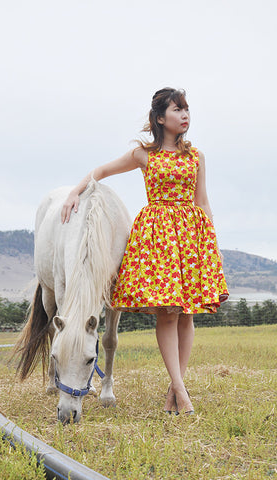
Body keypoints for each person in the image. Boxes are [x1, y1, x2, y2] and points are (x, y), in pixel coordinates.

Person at [61, 87, 229, 416]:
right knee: (167, 313)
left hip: (191, 236)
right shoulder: (144, 154)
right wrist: (74, 192)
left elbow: (203, 201)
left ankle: (174, 390)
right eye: (178, 110)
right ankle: (181, 389)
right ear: (160, 118)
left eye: (187, 109)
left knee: (186, 314)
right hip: (158, 237)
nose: (185, 115)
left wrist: (212, 244)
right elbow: (102, 171)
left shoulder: (196, 156)